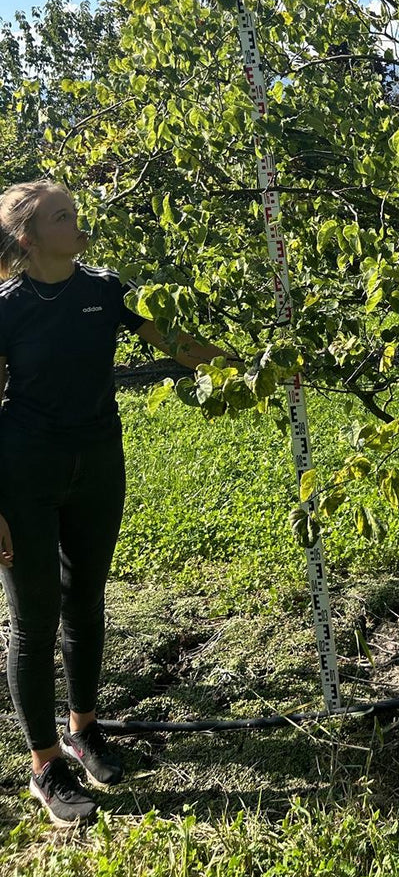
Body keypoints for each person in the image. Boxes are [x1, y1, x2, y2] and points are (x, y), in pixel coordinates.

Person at [0, 180, 238, 827]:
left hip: (100, 465)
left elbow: (176, 344)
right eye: (62, 216)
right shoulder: (7, 308)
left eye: (75, 211)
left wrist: (249, 367)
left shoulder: (105, 290)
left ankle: (83, 729)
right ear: (29, 239)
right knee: (35, 617)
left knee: (87, 600)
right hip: (24, 473)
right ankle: (45, 764)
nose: (79, 222)